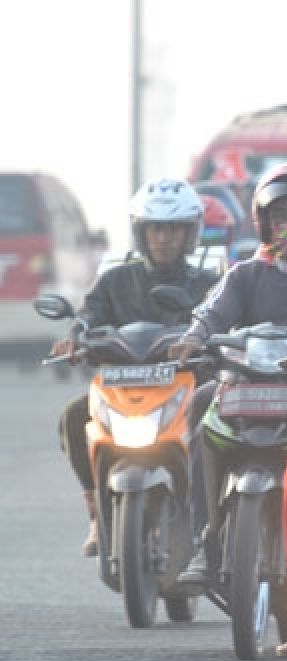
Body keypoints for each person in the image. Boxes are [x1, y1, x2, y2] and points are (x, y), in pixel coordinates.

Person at [171, 163, 287, 586]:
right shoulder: (245, 274)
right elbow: (212, 313)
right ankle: (205, 540)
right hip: (247, 385)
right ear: (263, 222)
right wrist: (193, 338)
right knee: (201, 404)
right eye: (281, 216)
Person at [54, 179, 218, 557]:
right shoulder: (115, 280)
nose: (164, 238)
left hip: (187, 391)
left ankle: (216, 518)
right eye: (155, 228)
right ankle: (96, 512)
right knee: (74, 415)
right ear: (141, 232)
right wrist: (74, 339)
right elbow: (87, 317)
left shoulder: (209, 283)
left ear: (190, 233)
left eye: (173, 228)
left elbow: (225, 322)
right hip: (120, 390)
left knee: (220, 426)